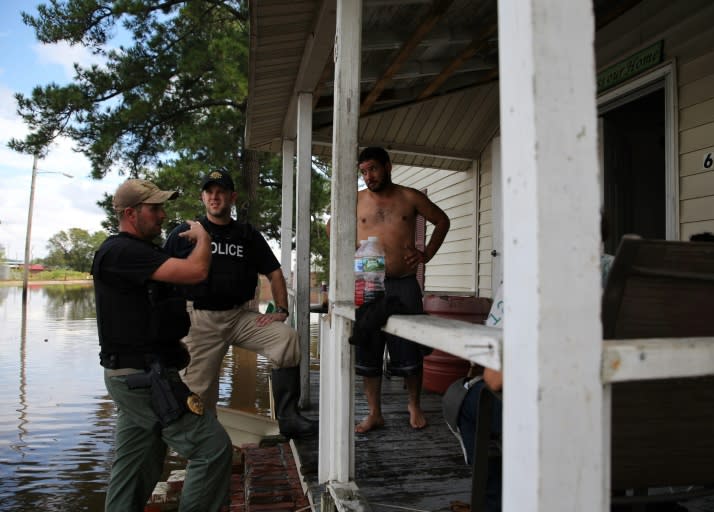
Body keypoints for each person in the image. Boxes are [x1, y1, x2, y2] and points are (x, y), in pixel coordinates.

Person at [92, 179, 232, 511]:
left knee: (136, 468)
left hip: (138, 376)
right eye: (154, 208)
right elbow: (196, 271)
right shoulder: (120, 251)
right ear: (130, 213)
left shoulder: (142, 253)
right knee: (211, 450)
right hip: (144, 379)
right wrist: (204, 238)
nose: (162, 214)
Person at [164, 169, 316, 439]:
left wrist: (281, 310)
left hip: (240, 316)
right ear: (202, 198)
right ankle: (203, 452)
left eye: (220, 191)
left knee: (286, 339)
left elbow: (275, 272)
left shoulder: (246, 235)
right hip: (200, 320)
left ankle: (288, 417)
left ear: (232, 197)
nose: (215, 197)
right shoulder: (186, 232)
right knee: (199, 392)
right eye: (209, 192)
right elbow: (162, 274)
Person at [353, 146, 451, 433]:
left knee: (410, 345)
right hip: (368, 282)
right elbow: (333, 227)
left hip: (404, 283)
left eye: (373, 169)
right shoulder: (356, 200)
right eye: (364, 172)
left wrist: (426, 253)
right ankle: (374, 413)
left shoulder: (410, 197)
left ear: (388, 166)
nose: (369, 176)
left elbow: (442, 220)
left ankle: (414, 405)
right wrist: (351, 249)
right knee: (368, 345)